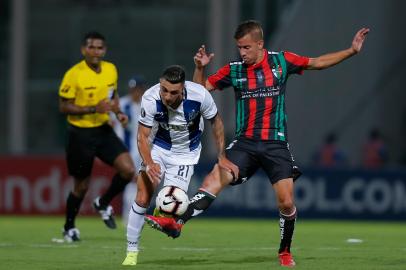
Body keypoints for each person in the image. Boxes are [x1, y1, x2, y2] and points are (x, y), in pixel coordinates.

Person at [145, 20, 369, 267]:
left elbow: (317, 62)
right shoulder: (234, 70)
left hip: (275, 143)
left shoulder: (282, 61)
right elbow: (200, 95)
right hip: (245, 143)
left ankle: (284, 251)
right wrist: (199, 68)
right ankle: (176, 222)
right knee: (215, 178)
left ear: (260, 44)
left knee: (286, 201)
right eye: (239, 48)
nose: (242, 53)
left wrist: (351, 51)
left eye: (246, 48)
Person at [121, 65, 236, 266]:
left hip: (185, 155)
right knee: (142, 196)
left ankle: (163, 213)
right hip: (158, 148)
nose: (167, 96)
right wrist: (149, 164)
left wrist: (222, 156)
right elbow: (142, 136)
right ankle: (131, 251)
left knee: (173, 205)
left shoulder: (199, 95)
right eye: (164, 90)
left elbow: (216, 122)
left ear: (183, 88)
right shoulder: (150, 98)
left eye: (173, 92)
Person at [58, 31, 135, 242]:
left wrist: (118, 113)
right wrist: (93, 108)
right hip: (80, 134)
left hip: (103, 130)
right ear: (83, 49)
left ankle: (103, 203)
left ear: (105, 50)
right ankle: (69, 227)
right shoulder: (74, 74)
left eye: (99, 47)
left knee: (128, 170)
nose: (95, 51)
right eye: (91, 47)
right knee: (81, 186)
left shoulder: (111, 69)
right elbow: (63, 106)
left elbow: (112, 96)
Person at [110, 75, 147, 225]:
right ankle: (131, 217)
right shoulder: (122, 104)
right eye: (132, 89)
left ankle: (137, 215)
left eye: (137, 89)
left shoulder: (148, 104)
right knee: (133, 183)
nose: (134, 92)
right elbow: (112, 125)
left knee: (143, 184)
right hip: (128, 151)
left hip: (146, 151)